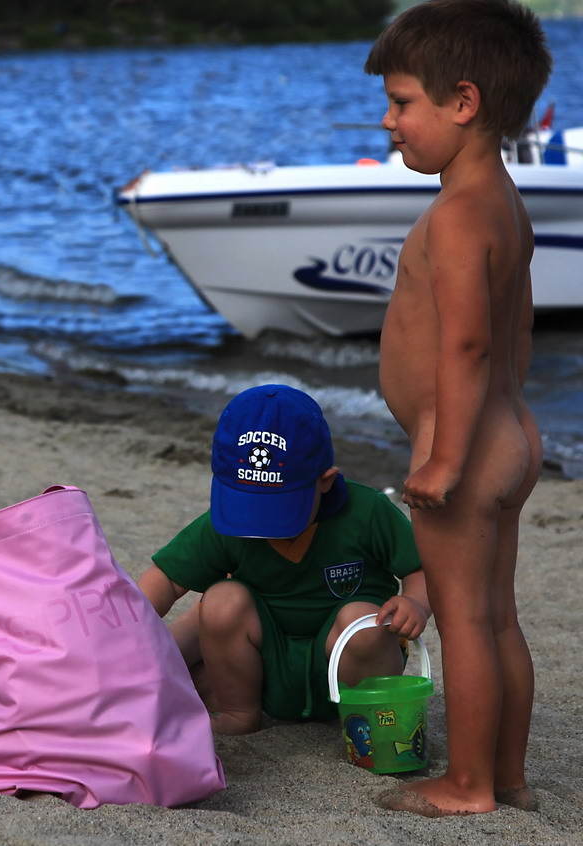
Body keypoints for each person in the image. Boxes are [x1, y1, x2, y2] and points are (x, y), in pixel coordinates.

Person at [363, 0, 552, 817]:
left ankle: (469, 784)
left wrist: (441, 458)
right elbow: (517, 335)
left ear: (463, 103)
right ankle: (504, 774)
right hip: (509, 434)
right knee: (497, 618)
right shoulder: (503, 205)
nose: (388, 121)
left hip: (464, 448)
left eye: (403, 103)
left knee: (465, 624)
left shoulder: (455, 216)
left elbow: (468, 347)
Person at [136, 385, 430, 737]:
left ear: (325, 482)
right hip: (261, 670)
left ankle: (360, 722)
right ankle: (238, 712)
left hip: (349, 668)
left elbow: (421, 568)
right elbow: (166, 580)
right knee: (221, 600)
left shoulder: (367, 513)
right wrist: (124, 632)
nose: (261, 524)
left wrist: (416, 603)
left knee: (363, 622)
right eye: (249, 507)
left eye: (278, 510)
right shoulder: (225, 525)